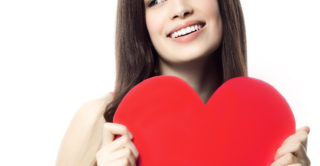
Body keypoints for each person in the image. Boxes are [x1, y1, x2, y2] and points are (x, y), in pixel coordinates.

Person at [55, 0, 311, 166]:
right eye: (156, 1)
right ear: (139, 22)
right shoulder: (99, 121)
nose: (179, 8)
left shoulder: (267, 126)